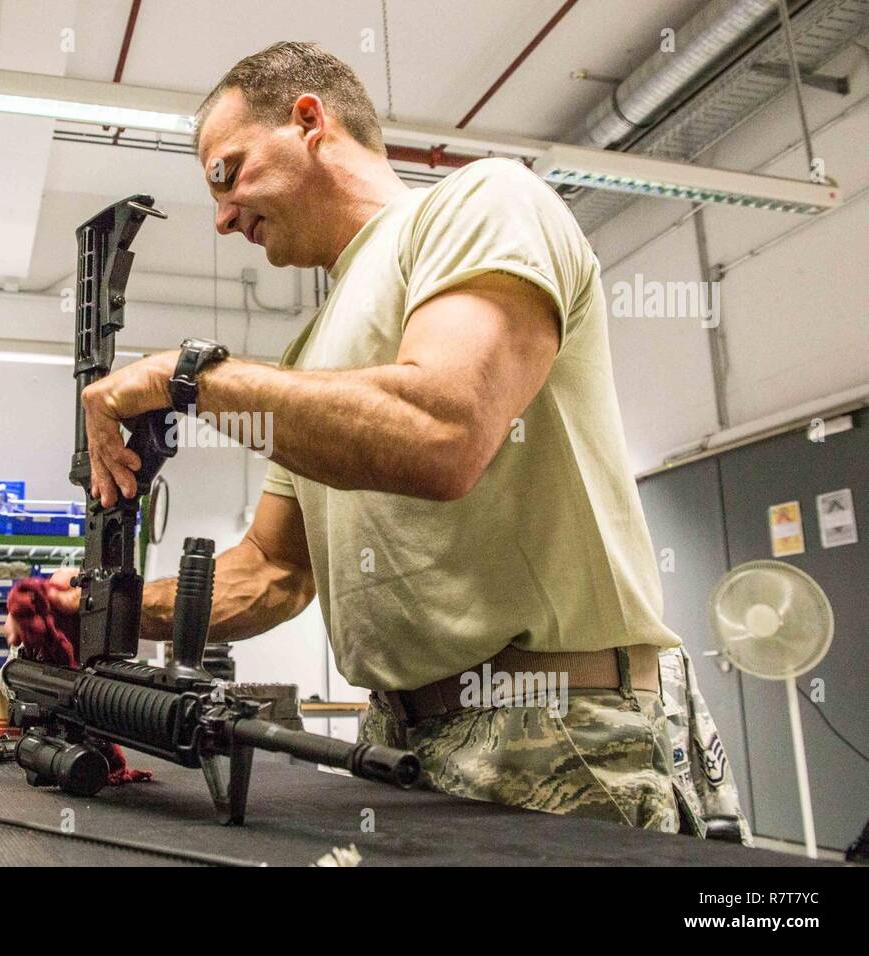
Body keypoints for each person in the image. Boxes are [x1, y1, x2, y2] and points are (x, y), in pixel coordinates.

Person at [62, 41, 746, 834]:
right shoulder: (307, 351)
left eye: (227, 172)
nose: (221, 217)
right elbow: (273, 572)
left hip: (554, 726)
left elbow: (440, 429)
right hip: (396, 736)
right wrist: (104, 609)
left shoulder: (480, 202)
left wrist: (187, 377)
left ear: (309, 121)